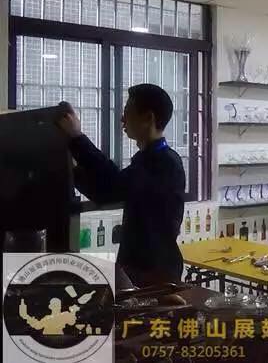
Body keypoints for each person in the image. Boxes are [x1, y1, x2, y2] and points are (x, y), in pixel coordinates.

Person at [57, 84, 185, 287]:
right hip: (139, 266)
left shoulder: (164, 163)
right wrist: (72, 171)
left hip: (155, 271)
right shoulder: (147, 159)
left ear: (148, 118)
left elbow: (114, 184)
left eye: (128, 112)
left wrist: (77, 138)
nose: (122, 119)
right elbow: (106, 193)